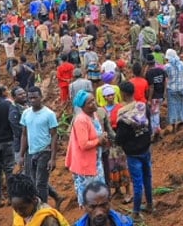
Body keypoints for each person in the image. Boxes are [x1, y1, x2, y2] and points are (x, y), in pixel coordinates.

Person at [115, 82, 153, 219]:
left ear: (123, 94)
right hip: (146, 148)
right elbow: (149, 126)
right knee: (147, 177)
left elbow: (119, 138)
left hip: (133, 153)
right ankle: (149, 204)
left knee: (137, 182)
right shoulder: (143, 107)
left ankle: (136, 212)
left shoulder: (123, 115)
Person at [65, 91, 107, 207]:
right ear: (83, 106)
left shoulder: (94, 115)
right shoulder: (81, 120)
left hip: (95, 162)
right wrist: (99, 141)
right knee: (90, 197)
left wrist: (103, 137)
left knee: (98, 194)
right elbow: (83, 144)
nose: (94, 103)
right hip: (85, 165)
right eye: (90, 102)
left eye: (94, 100)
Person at [19, 87, 59, 205]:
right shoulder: (26, 113)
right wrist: (21, 155)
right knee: (33, 181)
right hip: (31, 153)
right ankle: (49, 200)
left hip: (45, 151)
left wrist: (52, 158)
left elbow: (54, 136)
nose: (32, 100)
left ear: (41, 97)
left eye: (35, 97)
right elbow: (24, 135)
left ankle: (43, 207)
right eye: (30, 98)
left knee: (41, 183)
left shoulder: (49, 114)